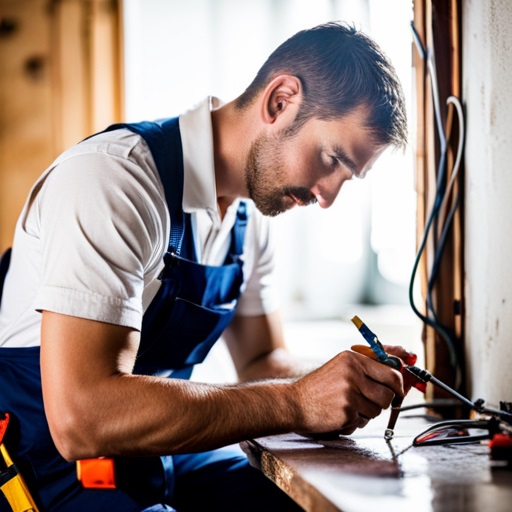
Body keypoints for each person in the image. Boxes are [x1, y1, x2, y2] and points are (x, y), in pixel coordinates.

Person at [0, 21, 410, 512]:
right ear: (280, 101)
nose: (327, 196)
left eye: (348, 178)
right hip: (47, 475)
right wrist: (296, 401)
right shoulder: (114, 181)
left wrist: (349, 378)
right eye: (330, 159)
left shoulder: (247, 218)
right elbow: (82, 420)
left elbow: (262, 362)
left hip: (152, 459)